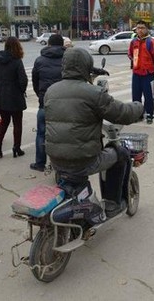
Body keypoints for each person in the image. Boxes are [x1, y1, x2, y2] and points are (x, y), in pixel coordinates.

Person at [45, 48, 144, 217]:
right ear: (86, 66)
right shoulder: (93, 94)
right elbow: (121, 113)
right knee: (121, 154)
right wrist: (139, 107)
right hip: (84, 161)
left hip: (56, 159)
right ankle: (113, 203)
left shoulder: (51, 91)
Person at [30, 34, 65, 171]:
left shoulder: (39, 60)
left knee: (41, 133)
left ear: (49, 44)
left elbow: (35, 82)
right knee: (64, 134)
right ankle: (62, 163)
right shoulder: (67, 59)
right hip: (64, 104)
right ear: (62, 44)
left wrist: (41, 95)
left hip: (45, 103)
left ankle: (40, 163)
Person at [0, 37, 28, 158]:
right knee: (17, 123)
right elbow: (23, 79)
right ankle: (17, 148)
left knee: (4, 122)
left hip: (1, 96)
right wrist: (21, 90)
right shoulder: (17, 61)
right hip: (15, 96)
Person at [128, 20, 154, 124]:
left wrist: (150, 66)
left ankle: (149, 115)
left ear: (147, 29)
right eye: (138, 28)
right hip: (136, 73)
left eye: (142, 28)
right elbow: (129, 54)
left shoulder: (151, 41)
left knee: (149, 96)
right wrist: (134, 61)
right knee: (136, 96)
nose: (140, 30)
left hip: (148, 74)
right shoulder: (134, 41)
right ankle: (138, 114)